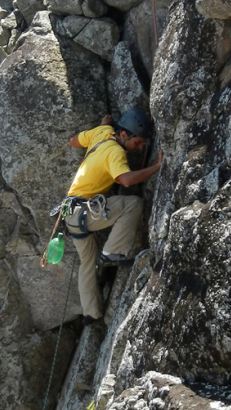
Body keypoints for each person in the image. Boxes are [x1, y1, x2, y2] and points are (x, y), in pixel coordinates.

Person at [63, 108, 163, 321]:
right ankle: (113, 251)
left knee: (87, 263)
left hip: (71, 213)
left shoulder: (102, 132)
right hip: (85, 211)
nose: (139, 147)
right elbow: (126, 180)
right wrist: (156, 167)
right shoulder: (116, 153)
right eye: (137, 142)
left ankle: (91, 314)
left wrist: (101, 126)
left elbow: (73, 141)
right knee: (133, 204)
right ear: (124, 135)